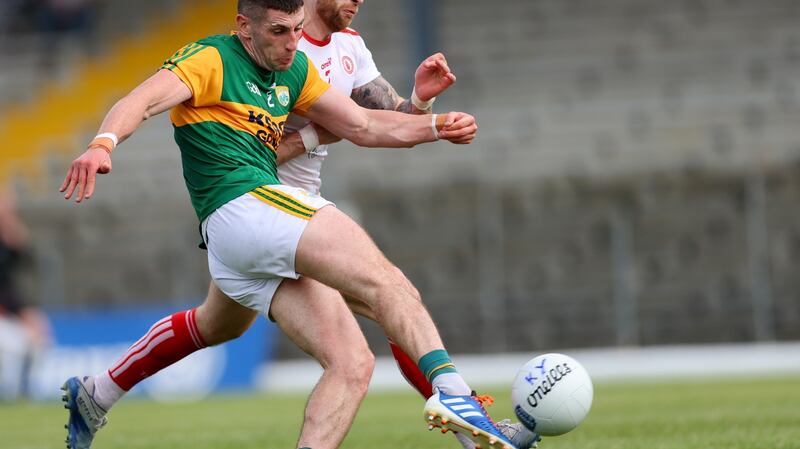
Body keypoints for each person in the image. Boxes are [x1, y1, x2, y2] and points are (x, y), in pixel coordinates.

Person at [58, 1, 511, 449]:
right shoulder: (211, 58)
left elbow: (365, 124)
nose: (293, 43)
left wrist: (436, 125)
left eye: (296, 30)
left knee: (348, 363)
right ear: (244, 26)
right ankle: (457, 397)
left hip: (244, 236)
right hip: (251, 207)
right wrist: (102, 144)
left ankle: (98, 393)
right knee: (386, 283)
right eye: (279, 31)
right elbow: (141, 100)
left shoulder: (300, 67)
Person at [0, 185, 51, 400]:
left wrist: (24, 311)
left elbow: (26, 260)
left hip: (7, 308)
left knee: (38, 334)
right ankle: (9, 394)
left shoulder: (7, 239)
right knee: (11, 345)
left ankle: (25, 391)